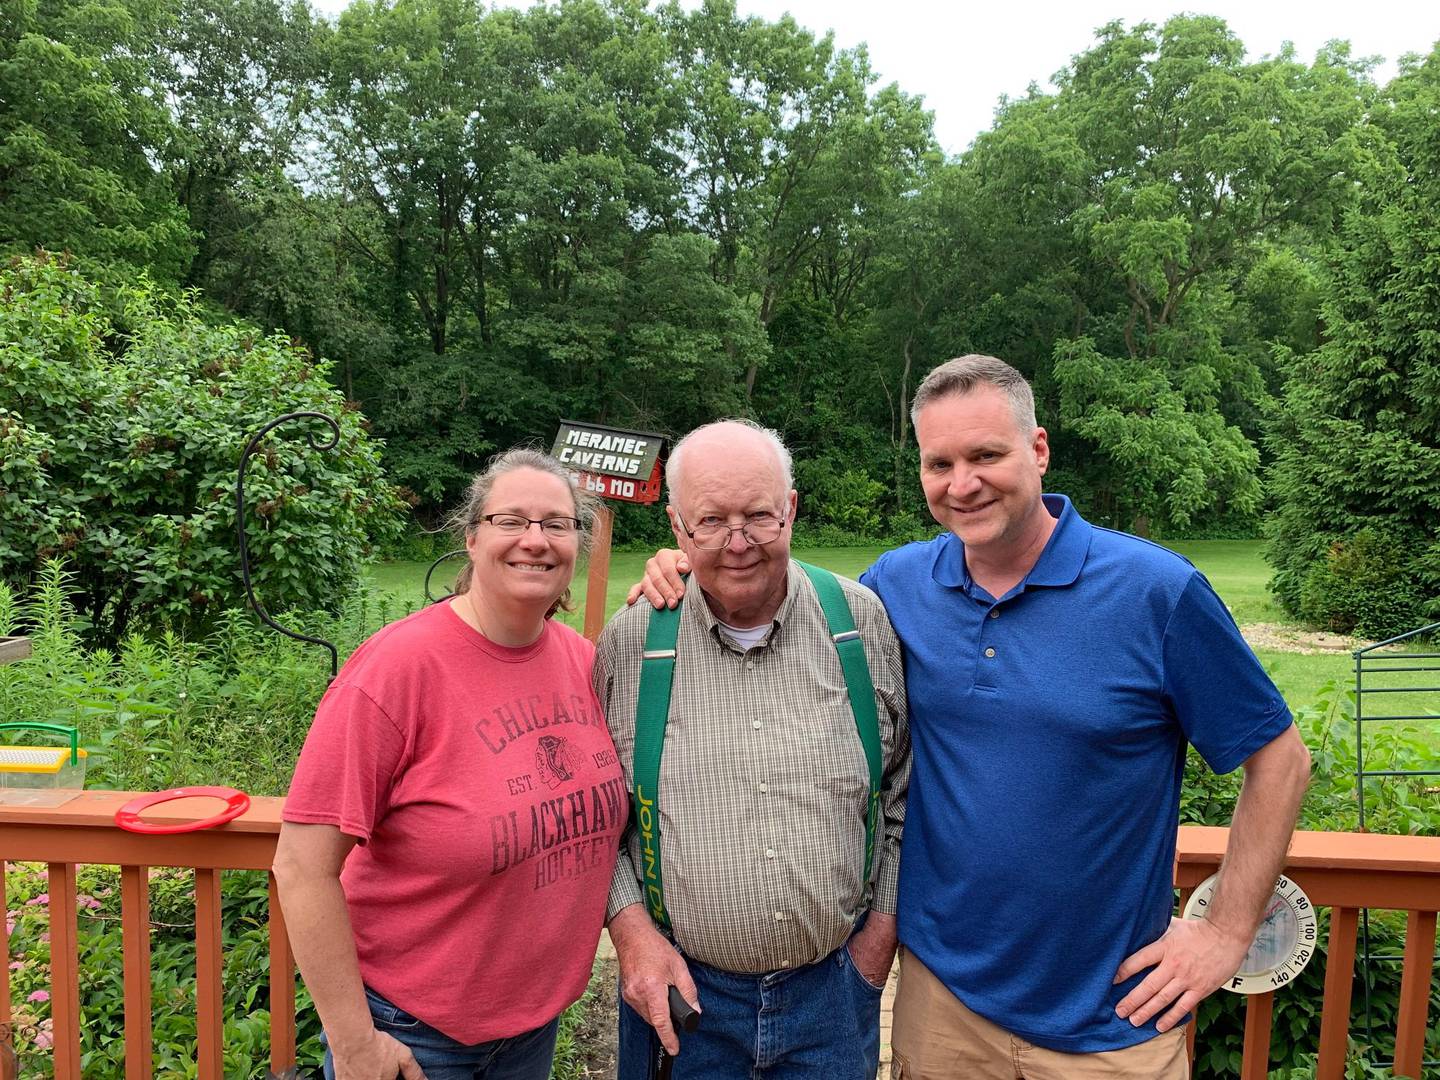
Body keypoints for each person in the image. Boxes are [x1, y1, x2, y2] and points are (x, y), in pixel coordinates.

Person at [632, 358, 1312, 1078]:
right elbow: (775, 607)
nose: (963, 483)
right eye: (940, 463)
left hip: (1114, 1020)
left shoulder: (1156, 593)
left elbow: (1280, 759)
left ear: (1039, 449)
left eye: (987, 455)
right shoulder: (895, 588)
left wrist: (1227, 931)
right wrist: (686, 566)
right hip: (943, 1008)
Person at [273, 448, 626, 1080]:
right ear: (471, 537)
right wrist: (355, 1044)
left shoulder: (582, 662)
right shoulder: (396, 671)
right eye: (510, 521)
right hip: (412, 1037)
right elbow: (301, 866)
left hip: (530, 1031)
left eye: (557, 523)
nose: (535, 541)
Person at [596, 419, 912, 1080]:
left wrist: (877, 941)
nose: (737, 544)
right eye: (711, 521)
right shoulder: (631, 643)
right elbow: (598, 823)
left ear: (791, 510)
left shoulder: (860, 622)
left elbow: (901, 793)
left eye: (759, 517)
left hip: (833, 994)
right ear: (677, 527)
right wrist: (631, 934)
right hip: (682, 1003)